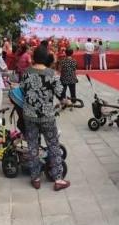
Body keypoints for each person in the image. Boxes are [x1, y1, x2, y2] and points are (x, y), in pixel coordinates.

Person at [21, 46, 70, 191]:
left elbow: (23, 90)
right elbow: (61, 94)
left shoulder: (26, 72)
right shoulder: (51, 74)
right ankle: (58, 179)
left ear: (34, 57)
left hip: (30, 115)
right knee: (53, 145)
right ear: (46, 58)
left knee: (32, 146)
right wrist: (65, 101)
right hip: (47, 116)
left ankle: (35, 178)